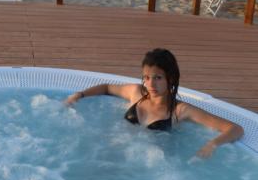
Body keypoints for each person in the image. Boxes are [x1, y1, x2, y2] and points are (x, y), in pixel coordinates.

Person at [64, 48, 244, 158]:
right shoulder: (136, 93)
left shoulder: (180, 110)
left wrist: (211, 145)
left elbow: (235, 129)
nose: (151, 84)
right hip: (111, 150)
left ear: (170, 79)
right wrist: (78, 95)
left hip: (145, 167)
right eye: (147, 77)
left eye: (158, 78)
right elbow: (106, 87)